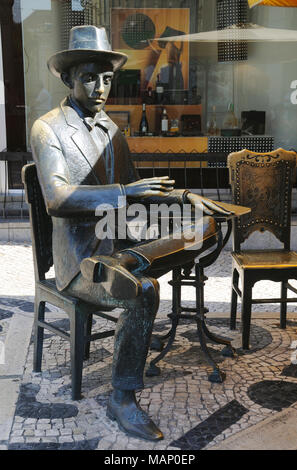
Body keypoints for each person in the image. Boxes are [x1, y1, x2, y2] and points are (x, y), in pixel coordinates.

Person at [30, 25, 233, 441]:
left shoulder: (111, 131)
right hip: (80, 259)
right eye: (90, 76)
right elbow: (57, 198)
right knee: (144, 292)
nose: (101, 87)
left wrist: (183, 197)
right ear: (69, 79)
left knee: (205, 228)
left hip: (119, 244)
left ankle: (129, 262)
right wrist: (124, 191)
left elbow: (141, 195)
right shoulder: (47, 128)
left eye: (107, 78)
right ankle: (122, 397)